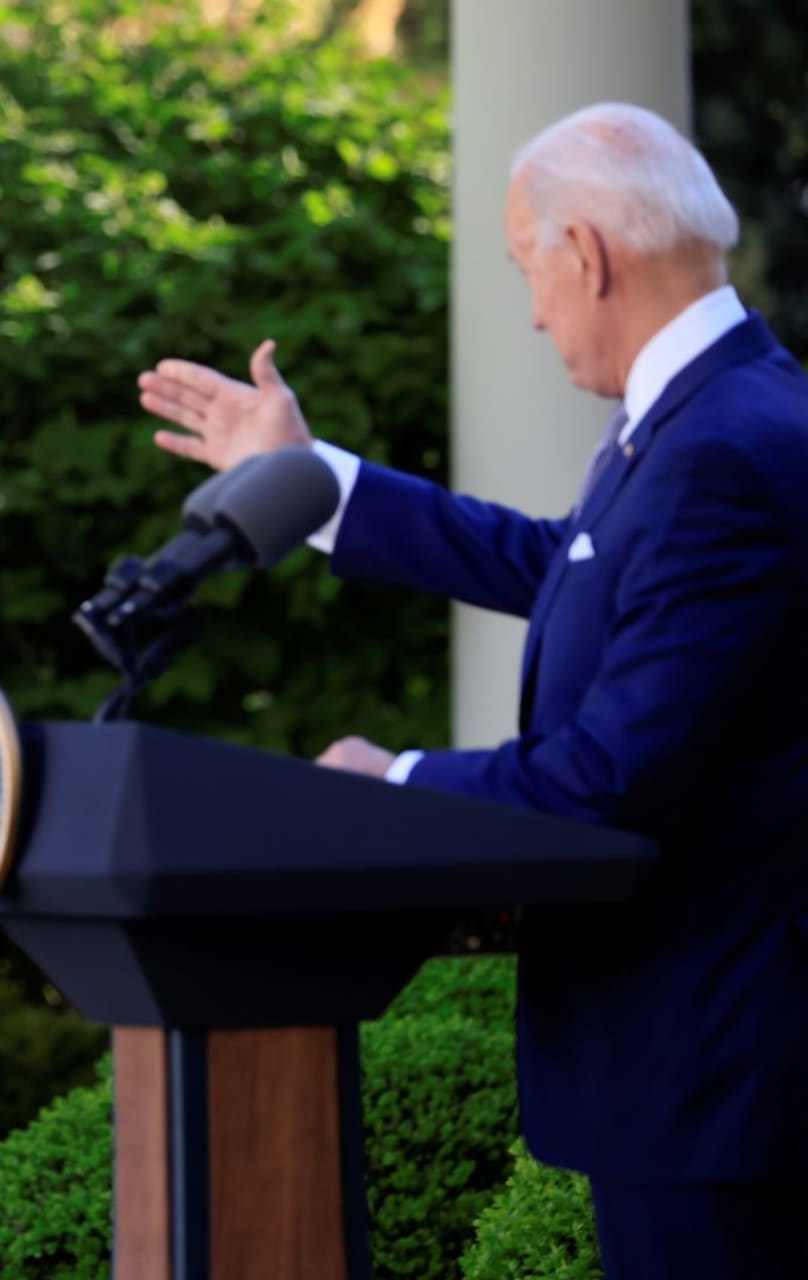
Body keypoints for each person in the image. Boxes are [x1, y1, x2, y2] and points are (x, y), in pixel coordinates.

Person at [137, 103, 808, 1278]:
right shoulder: (722, 415)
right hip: (707, 1072)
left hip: (718, 1080)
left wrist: (389, 784)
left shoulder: (721, 447)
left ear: (586, 253)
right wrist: (308, 480)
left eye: (526, 268)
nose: (536, 307)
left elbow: (611, 778)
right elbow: (563, 565)